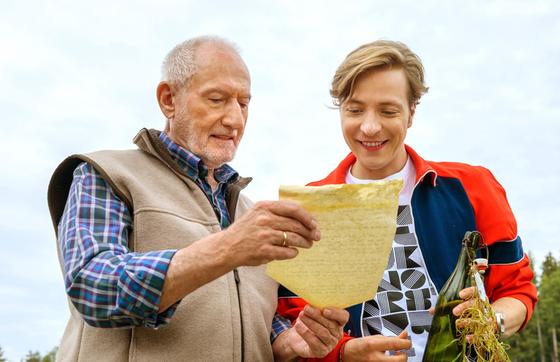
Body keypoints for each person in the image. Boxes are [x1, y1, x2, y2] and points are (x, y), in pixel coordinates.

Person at [47, 35, 349, 362]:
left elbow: (258, 324)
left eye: (243, 103)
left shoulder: (249, 215)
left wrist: (292, 342)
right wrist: (227, 248)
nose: (235, 119)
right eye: (217, 99)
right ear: (168, 99)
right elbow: (92, 285)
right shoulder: (106, 174)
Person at [277, 40, 538, 361]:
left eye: (388, 111)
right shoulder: (308, 207)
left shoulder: (475, 187)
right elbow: (289, 319)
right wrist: (344, 353)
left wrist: (492, 320)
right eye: (355, 110)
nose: (370, 127)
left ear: (411, 111)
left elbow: (517, 291)